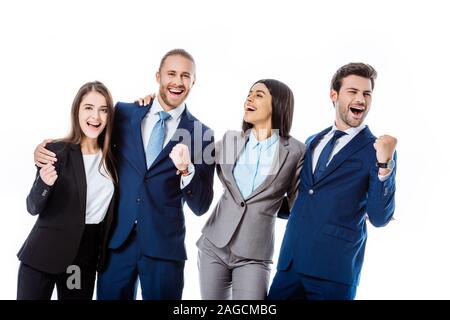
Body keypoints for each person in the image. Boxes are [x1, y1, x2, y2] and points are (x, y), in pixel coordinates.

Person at [34, 49, 215, 300]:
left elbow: (202, 204)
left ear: (193, 82)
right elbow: (88, 140)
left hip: (164, 249)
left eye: (186, 75)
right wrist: (45, 151)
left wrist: (187, 170)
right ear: (158, 77)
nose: (177, 81)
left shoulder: (202, 134)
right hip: (116, 244)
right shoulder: (124, 113)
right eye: (171, 73)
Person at [267, 63, 397, 300]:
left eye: (367, 94)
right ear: (334, 95)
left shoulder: (376, 150)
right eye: (353, 91)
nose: (361, 99)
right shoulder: (312, 141)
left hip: (335, 272)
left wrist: (385, 164)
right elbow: (303, 198)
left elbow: (379, 217)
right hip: (290, 264)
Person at [197, 79, 306, 299]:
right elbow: (195, 160)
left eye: (259, 94)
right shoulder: (231, 141)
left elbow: (299, 204)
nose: (249, 98)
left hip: (254, 254)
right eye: (249, 93)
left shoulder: (295, 151)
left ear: (278, 104)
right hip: (213, 245)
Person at [17, 81, 117, 300]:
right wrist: (44, 184)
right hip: (42, 255)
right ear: (77, 111)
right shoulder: (56, 152)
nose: (96, 117)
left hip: (82, 261)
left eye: (103, 109)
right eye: (89, 108)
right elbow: (32, 207)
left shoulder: (113, 158)